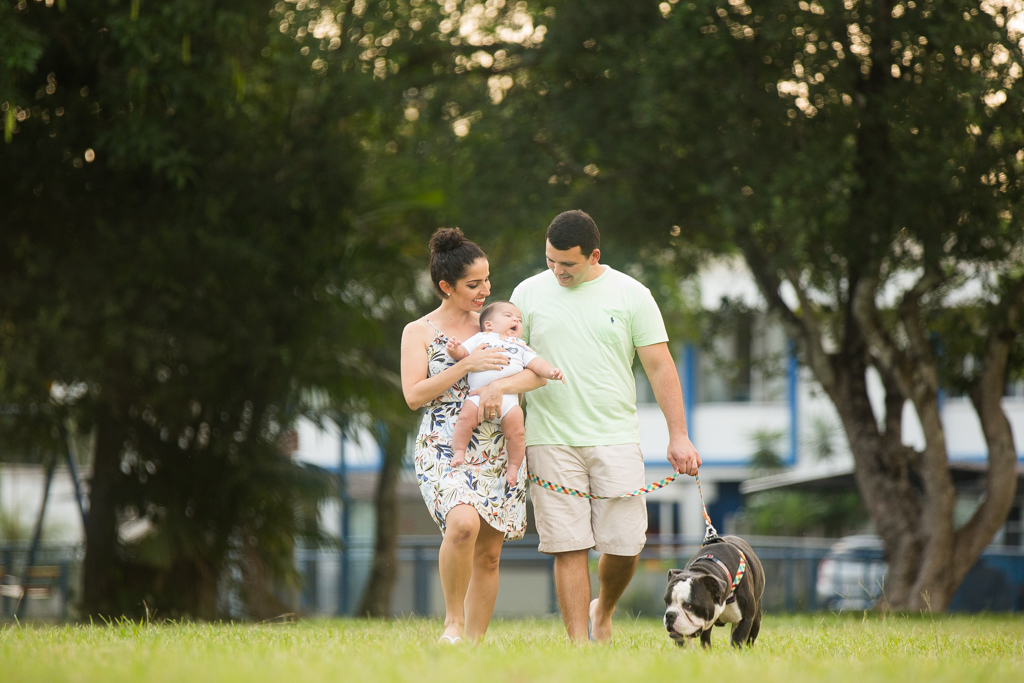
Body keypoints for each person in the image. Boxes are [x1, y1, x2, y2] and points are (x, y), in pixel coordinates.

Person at [510, 210, 701, 643]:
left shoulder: (631, 294)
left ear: (594, 255)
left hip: (615, 437)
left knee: (624, 545)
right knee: (567, 545)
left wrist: (679, 434)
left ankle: (604, 609)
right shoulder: (526, 293)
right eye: (550, 261)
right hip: (550, 438)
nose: (557, 272)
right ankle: (580, 648)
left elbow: (660, 366)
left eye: (568, 265)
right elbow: (510, 362)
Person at [400, 228, 546, 644]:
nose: (485, 291)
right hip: (446, 446)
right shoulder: (420, 331)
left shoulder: (497, 322)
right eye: (473, 284)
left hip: (499, 444)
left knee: (489, 553)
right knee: (462, 524)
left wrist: (500, 387)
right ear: (446, 286)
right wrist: (466, 366)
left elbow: (535, 375)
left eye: (486, 280)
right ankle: (453, 623)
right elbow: (414, 395)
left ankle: (474, 646)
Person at [446, 301, 566, 486]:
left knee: (517, 433)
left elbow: (537, 364)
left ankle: (513, 468)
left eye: (519, 319)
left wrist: (551, 371)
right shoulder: (481, 338)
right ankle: (459, 451)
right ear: (489, 324)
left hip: (509, 402)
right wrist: (455, 349)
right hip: (477, 397)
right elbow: (463, 353)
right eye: (509, 316)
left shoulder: (521, 346)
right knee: (464, 420)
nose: (516, 320)